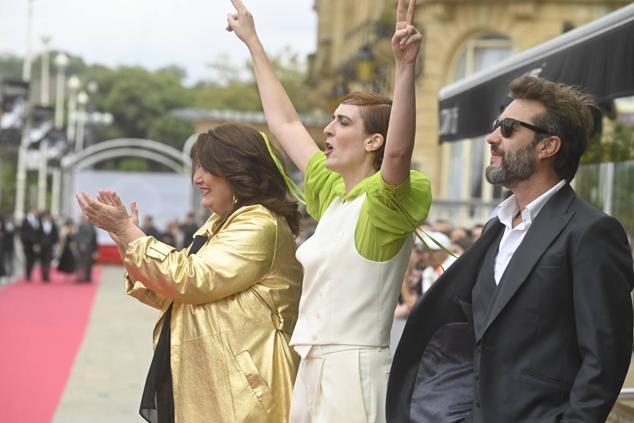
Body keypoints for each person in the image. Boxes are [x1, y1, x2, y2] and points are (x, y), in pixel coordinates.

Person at [387, 76, 634, 422]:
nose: (492, 137)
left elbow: (606, 356)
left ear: (548, 146)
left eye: (507, 128)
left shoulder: (591, 233)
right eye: (495, 126)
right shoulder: (496, 228)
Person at [228, 0, 431, 421]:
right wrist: (253, 42)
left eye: (343, 122)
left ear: (373, 142)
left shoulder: (383, 204)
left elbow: (399, 150)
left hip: (356, 372)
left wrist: (404, 66)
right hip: (314, 365)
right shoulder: (335, 194)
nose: (328, 129)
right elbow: (285, 125)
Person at [77, 123, 303, 423]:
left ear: (239, 172)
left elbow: (191, 279)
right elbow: (172, 292)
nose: (197, 179)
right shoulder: (222, 223)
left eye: (207, 169)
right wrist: (124, 239)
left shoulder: (260, 223)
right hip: (212, 383)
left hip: (243, 394)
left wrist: (125, 230)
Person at [20, 207, 42, 282]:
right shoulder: (26, 220)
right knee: (28, 260)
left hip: (35, 245)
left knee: (32, 260)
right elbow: (23, 232)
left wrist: (37, 244)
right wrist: (25, 242)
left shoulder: (38, 220)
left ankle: (29, 274)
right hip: (28, 244)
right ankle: (27, 274)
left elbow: (39, 233)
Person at [75, 215, 98, 282]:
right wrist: (79, 244)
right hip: (79, 248)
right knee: (79, 262)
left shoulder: (91, 227)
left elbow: (93, 239)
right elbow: (77, 237)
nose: (81, 219)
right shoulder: (79, 227)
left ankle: (87, 277)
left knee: (88, 263)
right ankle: (80, 277)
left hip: (89, 248)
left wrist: (95, 250)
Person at [39, 211, 59, 282]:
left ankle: (47, 274)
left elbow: (56, 235)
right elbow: (38, 235)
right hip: (42, 245)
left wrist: (54, 244)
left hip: (50, 245)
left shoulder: (53, 225)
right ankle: (43, 274)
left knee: (48, 260)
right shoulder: (40, 224)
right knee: (42, 260)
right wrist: (38, 244)